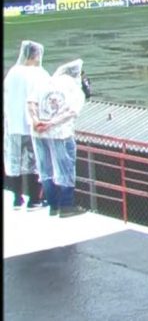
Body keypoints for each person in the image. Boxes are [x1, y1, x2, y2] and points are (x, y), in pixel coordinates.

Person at [29, 58, 89, 218]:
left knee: (45, 170)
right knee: (66, 169)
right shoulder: (75, 89)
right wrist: (50, 124)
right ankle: (66, 206)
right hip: (60, 134)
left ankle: (53, 206)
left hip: (38, 132)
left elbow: (31, 103)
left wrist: (37, 121)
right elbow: (71, 112)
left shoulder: (45, 81)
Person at [4, 40, 46, 211]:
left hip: (13, 125)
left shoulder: (13, 72)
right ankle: (34, 199)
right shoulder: (37, 73)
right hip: (31, 125)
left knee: (14, 162)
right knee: (34, 163)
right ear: (35, 55)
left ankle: (17, 199)